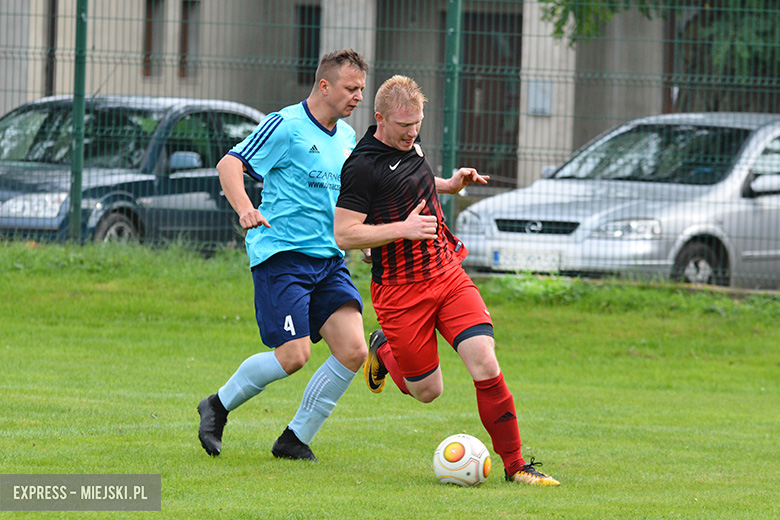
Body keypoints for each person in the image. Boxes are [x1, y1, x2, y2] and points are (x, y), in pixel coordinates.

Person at [334, 75, 560, 485]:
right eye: (404, 126)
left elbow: (408, 182)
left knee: (485, 362)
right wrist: (401, 228)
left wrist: (451, 186)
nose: (413, 132)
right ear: (380, 118)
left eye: (418, 122)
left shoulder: (410, 145)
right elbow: (345, 233)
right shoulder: (360, 166)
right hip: (401, 291)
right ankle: (383, 348)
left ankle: (516, 466)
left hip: (446, 273)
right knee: (427, 391)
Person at [197, 49, 369, 462]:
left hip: (328, 260)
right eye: (351, 88)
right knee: (294, 356)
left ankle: (294, 439)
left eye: (362, 89)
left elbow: (352, 196)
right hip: (283, 255)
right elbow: (229, 164)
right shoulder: (285, 125)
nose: (358, 97)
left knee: (354, 350)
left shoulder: (346, 138)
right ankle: (216, 406)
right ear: (324, 85)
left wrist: (363, 238)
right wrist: (245, 209)